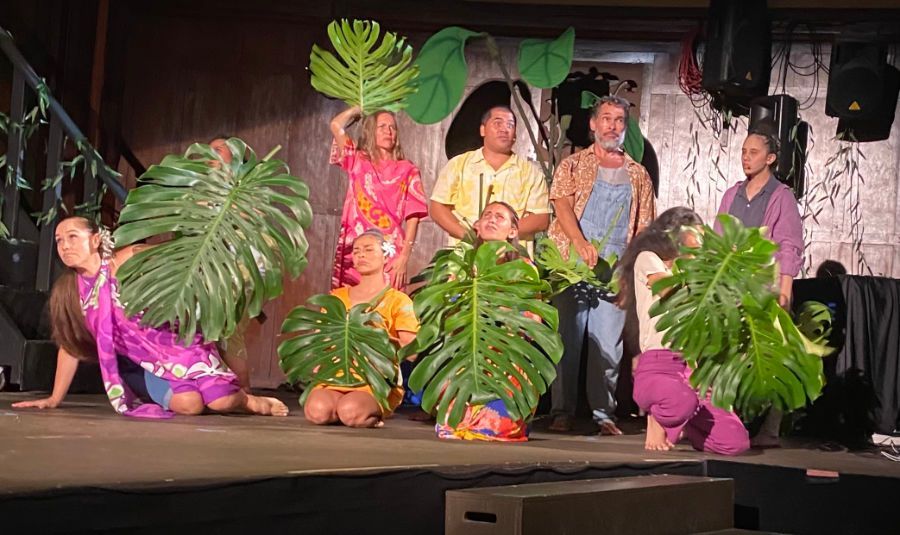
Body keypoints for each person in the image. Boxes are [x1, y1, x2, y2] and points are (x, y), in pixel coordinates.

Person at [12, 217, 288, 418]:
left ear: (95, 240)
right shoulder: (72, 291)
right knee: (190, 406)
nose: (64, 246)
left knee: (221, 403)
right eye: (59, 240)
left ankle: (252, 403)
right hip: (148, 365)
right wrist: (54, 398)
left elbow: (185, 275)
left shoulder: (132, 259)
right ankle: (155, 389)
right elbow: (70, 346)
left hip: (184, 347)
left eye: (72, 237)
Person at [547, 95, 656, 435]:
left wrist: (629, 272)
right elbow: (561, 205)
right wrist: (579, 243)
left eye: (619, 120)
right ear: (593, 124)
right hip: (572, 263)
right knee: (568, 338)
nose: (612, 125)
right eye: (606, 118)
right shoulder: (573, 165)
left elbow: (643, 229)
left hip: (614, 268)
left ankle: (602, 413)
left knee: (608, 344)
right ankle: (561, 411)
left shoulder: (638, 175)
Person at [617, 207, 750, 455]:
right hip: (659, 366)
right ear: (675, 236)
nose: (701, 242)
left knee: (735, 441)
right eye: (695, 235)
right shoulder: (649, 259)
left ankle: (684, 426)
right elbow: (667, 290)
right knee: (680, 401)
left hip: (694, 371)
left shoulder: (705, 277)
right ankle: (657, 418)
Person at [716, 128, 803, 447]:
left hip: (766, 287)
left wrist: (784, 290)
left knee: (770, 357)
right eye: (743, 151)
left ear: (770, 158)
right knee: (728, 354)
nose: (746, 158)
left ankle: (771, 428)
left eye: (753, 152)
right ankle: (728, 422)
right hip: (731, 287)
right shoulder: (732, 194)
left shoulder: (780, 196)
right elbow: (719, 238)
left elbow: (789, 245)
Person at [434, 201, 541, 442]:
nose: (492, 219)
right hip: (471, 354)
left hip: (507, 358)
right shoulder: (462, 267)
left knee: (494, 426)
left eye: (500, 217)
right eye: (487, 215)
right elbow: (449, 314)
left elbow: (531, 322)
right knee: (449, 427)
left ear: (513, 231)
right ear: (477, 226)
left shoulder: (523, 269)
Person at [303, 230, 418, 428]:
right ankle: (340, 406)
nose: (361, 255)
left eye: (368, 250)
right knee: (317, 412)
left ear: (385, 255)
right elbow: (321, 338)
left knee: (350, 412)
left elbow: (412, 352)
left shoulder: (397, 300)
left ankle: (370, 413)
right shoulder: (336, 297)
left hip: (373, 380)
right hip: (334, 375)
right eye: (356, 251)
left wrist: (375, 338)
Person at [330, 106, 427, 290]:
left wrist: (405, 256)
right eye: (382, 126)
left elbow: (413, 218)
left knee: (385, 308)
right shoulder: (358, 161)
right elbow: (336, 125)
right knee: (350, 307)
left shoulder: (408, 170)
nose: (388, 131)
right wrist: (356, 110)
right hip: (356, 249)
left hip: (389, 249)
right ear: (370, 130)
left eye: (392, 127)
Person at [430, 105, 550, 253]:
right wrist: (469, 236)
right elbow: (437, 207)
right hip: (464, 256)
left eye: (510, 125)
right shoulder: (459, 165)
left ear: (515, 135)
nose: (504, 129)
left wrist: (502, 234)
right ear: (482, 130)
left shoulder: (530, 173)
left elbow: (541, 218)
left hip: (511, 261)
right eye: (497, 123)